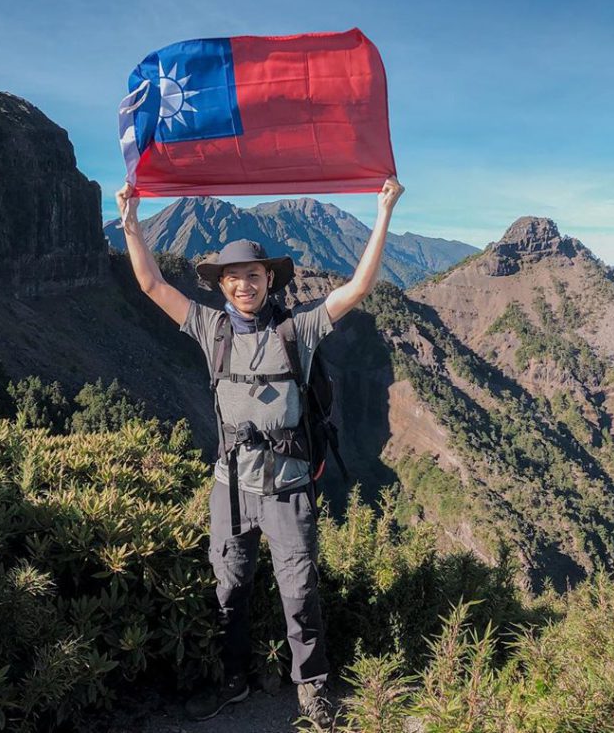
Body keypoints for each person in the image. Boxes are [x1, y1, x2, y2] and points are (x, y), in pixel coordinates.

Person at [115, 178, 404, 729]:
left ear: (269, 279)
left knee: (300, 592)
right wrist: (130, 223)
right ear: (221, 286)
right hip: (229, 486)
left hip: (287, 487)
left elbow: (359, 287)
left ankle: (311, 690)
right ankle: (233, 682)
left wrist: (383, 211)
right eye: (232, 278)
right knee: (229, 591)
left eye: (252, 275)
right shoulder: (211, 328)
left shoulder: (299, 330)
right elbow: (151, 284)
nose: (243, 285)